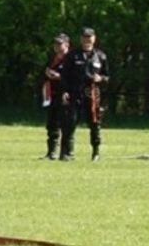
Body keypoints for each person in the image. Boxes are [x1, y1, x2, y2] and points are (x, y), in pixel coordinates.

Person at [59, 27, 110, 161]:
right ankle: (67, 153)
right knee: (70, 123)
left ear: (94, 38)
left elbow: (107, 76)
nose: (87, 40)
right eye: (85, 37)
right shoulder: (72, 56)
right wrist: (64, 91)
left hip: (93, 95)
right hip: (75, 93)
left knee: (95, 124)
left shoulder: (101, 56)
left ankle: (96, 152)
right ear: (81, 39)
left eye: (90, 37)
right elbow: (65, 76)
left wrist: (101, 79)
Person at [41, 33, 72, 160]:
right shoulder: (51, 58)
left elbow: (75, 78)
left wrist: (59, 76)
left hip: (66, 96)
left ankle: (66, 153)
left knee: (65, 125)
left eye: (60, 44)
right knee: (52, 125)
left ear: (67, 45)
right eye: (55, 44)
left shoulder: (72, 59)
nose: (57, 46)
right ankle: (51, 152)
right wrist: (46, 73)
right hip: (52, 96)